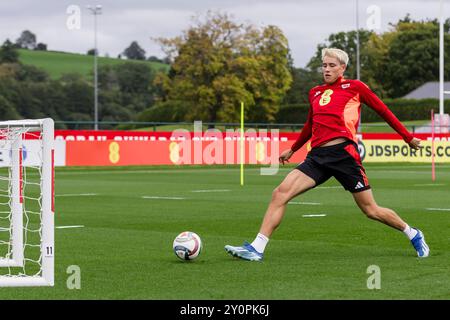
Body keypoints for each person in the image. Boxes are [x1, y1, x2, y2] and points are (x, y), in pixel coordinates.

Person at [225, 48, 429, 261]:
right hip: (317, 157)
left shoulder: (355, 87)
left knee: (371, 210)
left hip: (344, 156)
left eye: (332, 65)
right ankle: (257, 248)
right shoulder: (315, 92)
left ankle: (413, 233)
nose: (327, 69)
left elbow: (383, 111)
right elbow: (309, 124)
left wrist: (407, 137)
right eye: (324, 65)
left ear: (343, 68)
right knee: (280, 193)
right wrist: (294, 149)